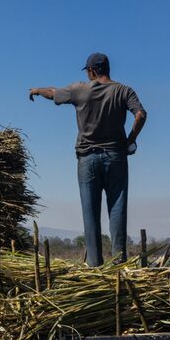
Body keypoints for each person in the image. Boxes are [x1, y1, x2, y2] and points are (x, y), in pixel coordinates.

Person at [29, 52, 147, 266]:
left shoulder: (80, 90)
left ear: (91, 71)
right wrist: (131, 139)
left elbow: (53, 93)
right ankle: (118, 265)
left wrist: (37, 91)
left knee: (90, 215)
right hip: (116, 157)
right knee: (117, 210)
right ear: (107, 69)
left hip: (87, 159)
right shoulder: (123, 91)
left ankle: (95, 267)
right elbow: (140, 114)